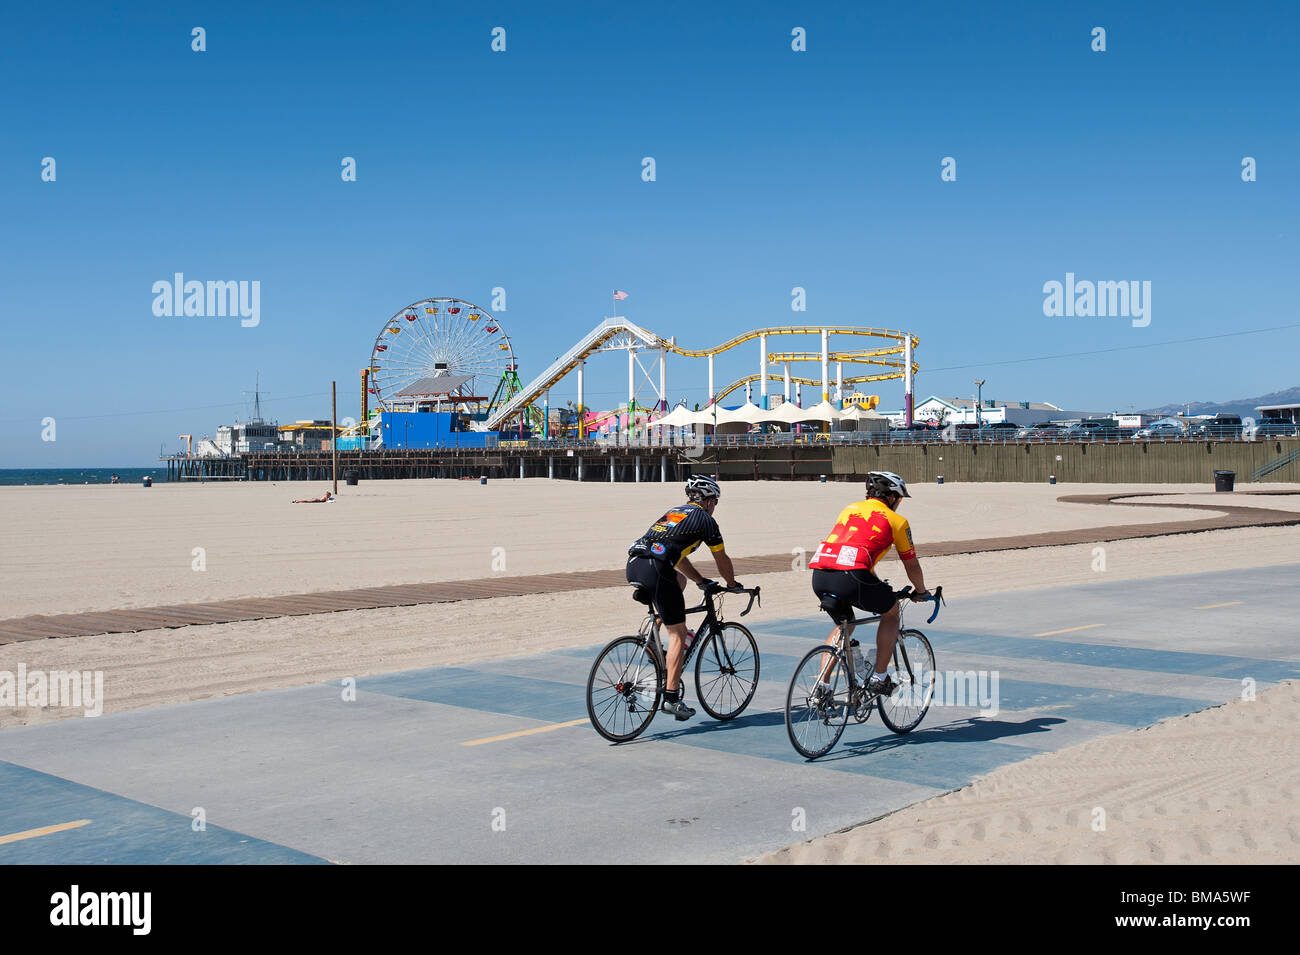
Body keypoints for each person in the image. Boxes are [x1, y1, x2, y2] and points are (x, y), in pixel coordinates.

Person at [626, 475, 740, 721]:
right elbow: (722, 559)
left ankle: (651, 637)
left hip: (636, 564)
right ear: (709, 501)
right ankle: (671, 698)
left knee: (680, 581)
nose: (715, 506)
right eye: (716, 501)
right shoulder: (706, 520)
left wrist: (700, 581)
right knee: (678, 633)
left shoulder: (675, 512)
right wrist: (731, 584)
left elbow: (676, 556)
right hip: (656, 567)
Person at [809, 471, 930, 695]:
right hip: (852, 576)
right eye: (900, 499)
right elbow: (911, 564)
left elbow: (852, 549)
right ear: (892, 497)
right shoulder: (897, 521)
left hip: (820, 573)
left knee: (844, 625)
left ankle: (822, 686)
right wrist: (921, 590)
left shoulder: (849, 509)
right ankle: (879, 677)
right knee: (891, 611)